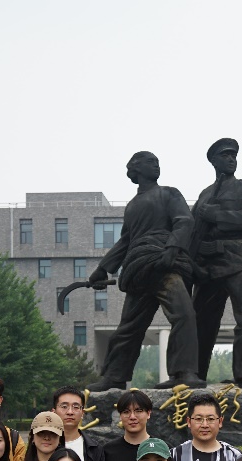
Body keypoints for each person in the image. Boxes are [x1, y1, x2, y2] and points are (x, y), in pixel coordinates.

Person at [86, 151, 205, 390]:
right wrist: (103, 268)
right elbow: (126, 241)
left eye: (157, 162)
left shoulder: (169, 193)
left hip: (165, 264)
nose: (157, 166)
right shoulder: (132, 206)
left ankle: (183, 372)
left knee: (184, 314)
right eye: (151, 162)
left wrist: (172, 248)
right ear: (136, 169)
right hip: (139, 269)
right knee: (129, 326)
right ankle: (114, 376)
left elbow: (184, 221)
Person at [189, 138, 242, 388]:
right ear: (214, 161)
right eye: (225, 156)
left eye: (233, 155)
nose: (231, 159)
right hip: (208, 263)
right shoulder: (204, 195)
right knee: (200, 320)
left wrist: (216, 214)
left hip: (239, 256)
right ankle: (194, 373)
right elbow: (193, 231)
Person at [52, 386, 108, 461]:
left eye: (76, 407)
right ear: (54, 411)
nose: (70, 412)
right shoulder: (45, 447)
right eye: (64, 406)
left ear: (82, 413)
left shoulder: (94, 448)